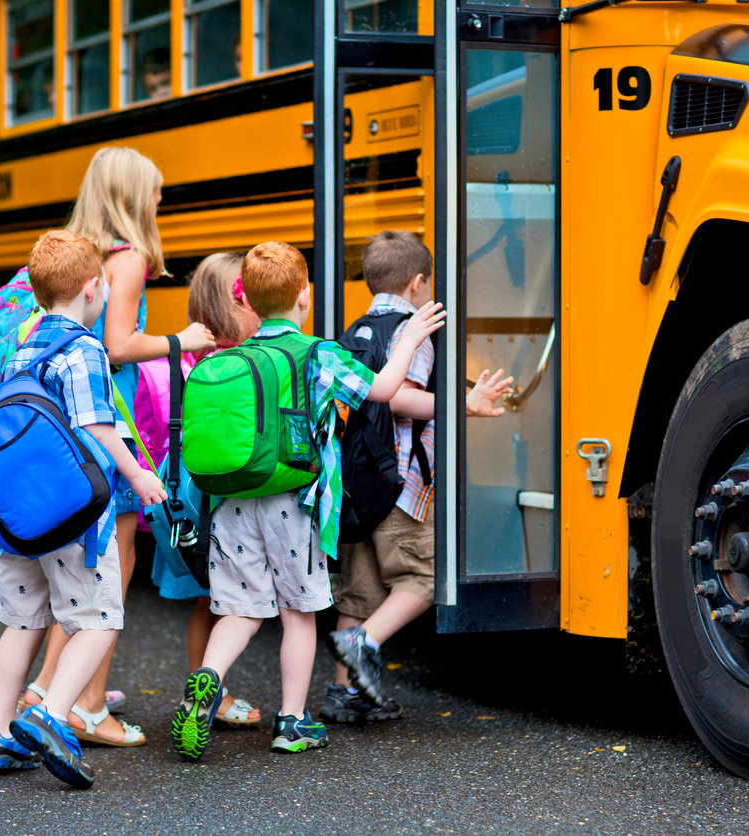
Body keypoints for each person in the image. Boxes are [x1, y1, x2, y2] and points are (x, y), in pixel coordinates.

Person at [169, 240, 446, 758]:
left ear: (247, 302)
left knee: (241, 612)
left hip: (232, 503)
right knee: (298, 613)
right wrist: (407, 340)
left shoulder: (236, 355)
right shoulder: (318, 354)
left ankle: (207, 678)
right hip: (292, 505)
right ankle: (292, 722)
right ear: (306, 296)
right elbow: (384, 389)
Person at [18, 146, 214, 746]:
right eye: (154, 191)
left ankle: (46, 689)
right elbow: (119, 345)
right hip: (113, 417)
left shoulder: (77, 251)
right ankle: (87, 706)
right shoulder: (125, 259)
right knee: (112, 567)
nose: (159, 201)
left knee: (80, 571)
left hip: (63, 426)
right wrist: (180, 339)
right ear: (133, 197)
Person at [0, 230, 166, 788]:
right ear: (91, 288)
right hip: (74, 518)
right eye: (104, 283)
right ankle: (52, 714)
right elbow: (97, 425)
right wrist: (140, 475)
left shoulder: (24, 345)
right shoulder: (84, 349)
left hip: (17, 516)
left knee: (22, 622)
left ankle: (0, 734)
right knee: (102, 618)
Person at [322, 230, 514, 724]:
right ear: (418, 282)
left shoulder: (357, 330)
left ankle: (346, 694)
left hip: (357, 486)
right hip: (401, 487)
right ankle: (361, 644)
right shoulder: (416, 327)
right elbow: (402, 396)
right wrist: (464, 403)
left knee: (360, 594)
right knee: (426, 576)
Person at [143, 252, 262, 725]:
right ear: (235, 305)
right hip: (220, 494)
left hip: (190, 489)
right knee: (227, 599)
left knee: (205, 599)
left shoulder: (194, 359)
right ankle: (215, 693)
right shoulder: (234, 364)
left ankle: (203, 689)